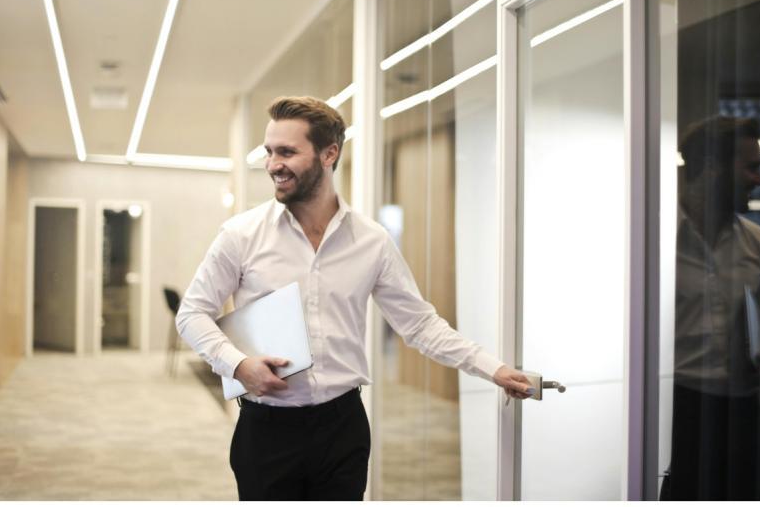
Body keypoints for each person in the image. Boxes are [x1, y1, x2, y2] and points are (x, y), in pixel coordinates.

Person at [176, 95, 533, 501]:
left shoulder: (371, 241)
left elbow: (418, 324)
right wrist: (237, 365)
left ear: (329, 154)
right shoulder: (240, 235)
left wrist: (492, 368)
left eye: (287, 152)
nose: (273, 164)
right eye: (270, 151)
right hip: (266, 430)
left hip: (342, 427)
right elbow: (192, 313)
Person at [660, 115, 760, 500]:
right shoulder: (655, 240)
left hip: (743, 414)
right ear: (710, 168)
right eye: (751, 167)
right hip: (678, 410)